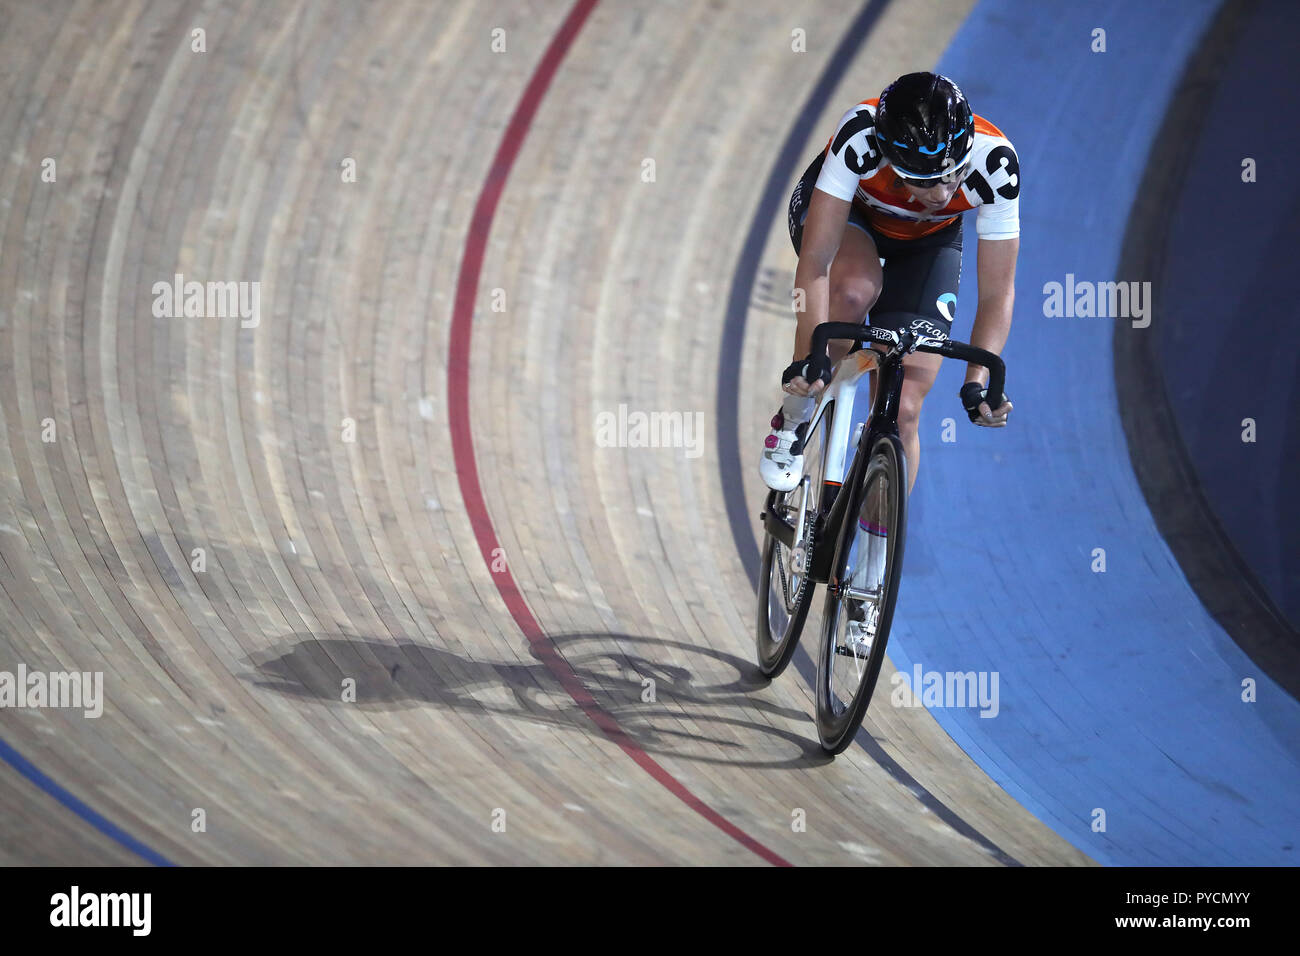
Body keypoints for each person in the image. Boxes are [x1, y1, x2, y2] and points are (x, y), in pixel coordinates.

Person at [759, 71, 1019, 495]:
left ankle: (873, 551)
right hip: (853, 218)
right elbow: (817, 261)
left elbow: (997, 293)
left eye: (951, 175)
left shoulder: (996, 165)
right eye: (922, 180)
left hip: (927, 242)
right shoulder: (859, 136)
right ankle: (794, 415)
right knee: (854, 290)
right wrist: (812, 356)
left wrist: (977, 381)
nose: (939, 193)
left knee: (904, 409)